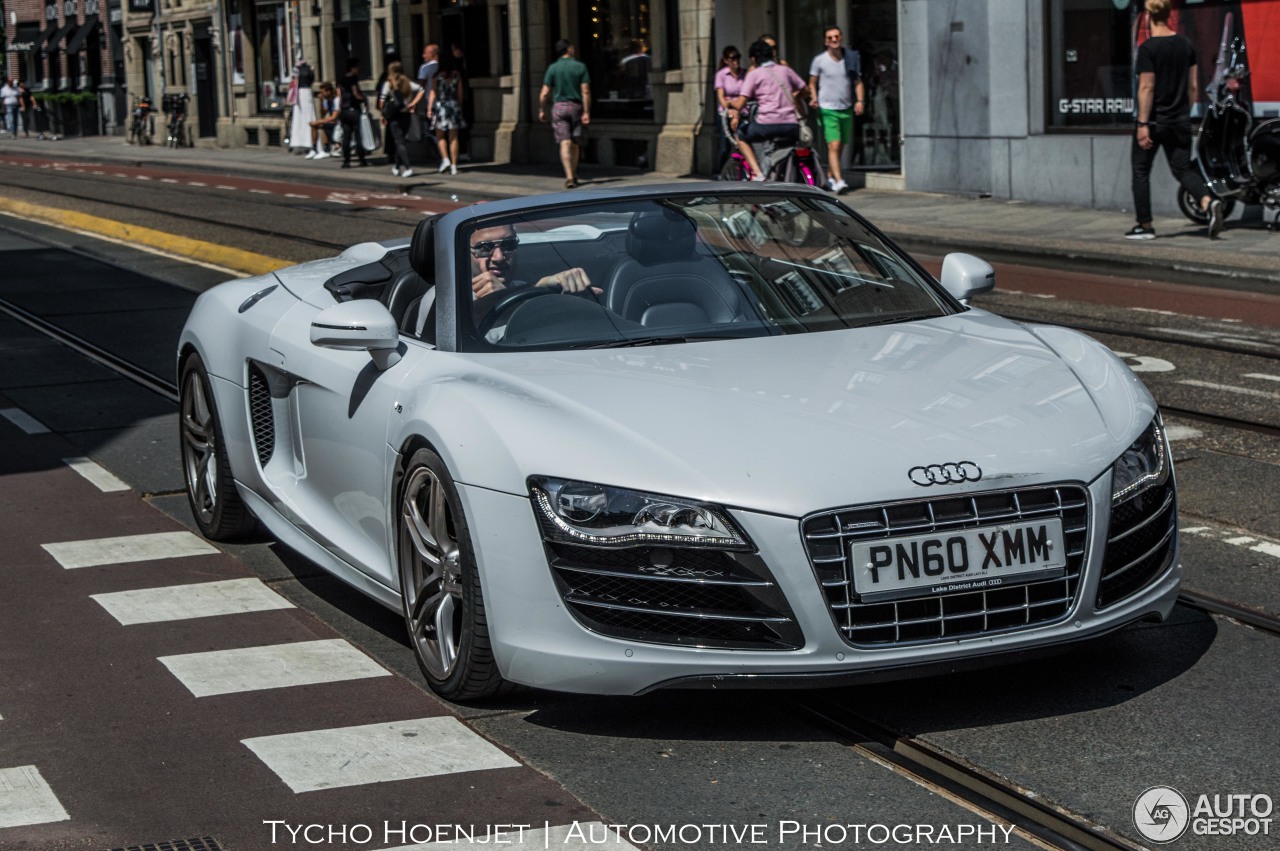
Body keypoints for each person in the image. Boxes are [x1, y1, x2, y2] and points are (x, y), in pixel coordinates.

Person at [1127, 0, 1221, 240]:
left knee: (1140, 171)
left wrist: (1142, 123)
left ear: (1148, 15)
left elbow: (1146, 88)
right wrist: (1182, 113)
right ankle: (1207, 201)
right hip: (1179, 121)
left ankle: (1145, 226)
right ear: (1169, 14)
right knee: (1181, 169)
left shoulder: (1148, 49)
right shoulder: (1186, 45)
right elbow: (1193, 86)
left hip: (1155, 121)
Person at [731, 40, 808, 174]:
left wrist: (729, 103)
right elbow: (806, 91)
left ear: (753, 59)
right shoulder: (786, 70)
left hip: (766, 126)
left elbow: (740, 104)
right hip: (791, 126)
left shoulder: (754, 74)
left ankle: (758, 173)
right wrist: (795, 97)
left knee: (741, 135)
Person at [808, 25, 865, 194]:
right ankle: (839, 182)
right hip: (827, 109)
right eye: (830, 37)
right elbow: (812, 82)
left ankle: (830, 176)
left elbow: (858, 82)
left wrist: (860, 101)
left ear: (841, 38)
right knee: (834, 145)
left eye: (837, 37)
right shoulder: (819, 60)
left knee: (839, 146)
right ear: (826, 41)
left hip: (845, 108)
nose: (834, 40)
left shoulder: (850, 58)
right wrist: (813, 97)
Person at [538, 39, 591, 189]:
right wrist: (586, 111)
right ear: (569, 49)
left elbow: (544, 93)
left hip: (559, 107)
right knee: (575, 144)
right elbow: (585, 91)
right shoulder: (580, 67)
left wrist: (542, 109)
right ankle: (574, 174)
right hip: (576, 107)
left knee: (564, 142)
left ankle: (568, 176)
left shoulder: (553, 68)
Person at [714, 45, 762, 178]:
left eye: (737, 57)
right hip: (726, 113)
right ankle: (720, 172)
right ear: (725, 60)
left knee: (743, 141)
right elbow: (721, 97)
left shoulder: (744, 74)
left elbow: (747, 94)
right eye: (732, 58)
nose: (735, 61)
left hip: (742, 112)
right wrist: (730, 112)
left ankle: (744, 170)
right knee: (725, 146)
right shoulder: (721, 75)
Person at [380, 62, 424, 177]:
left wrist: (384, 113)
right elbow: (421, 90)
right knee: (401, 141)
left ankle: (408, 167)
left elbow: (382, 101)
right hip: (406, 115)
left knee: (399, 142)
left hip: (394, 116)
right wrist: (413, 103)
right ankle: (396, 166)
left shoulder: (388, 84)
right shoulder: (407, 83)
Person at [429, 55, 464, 175]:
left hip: (441, 106)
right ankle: (454, 166)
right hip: (453, 106)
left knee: (440, 136)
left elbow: (433, 93)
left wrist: (430, 108)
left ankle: (445, 159)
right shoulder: (456, 76)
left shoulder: (437, 76)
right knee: (454, 137)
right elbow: (460, 94)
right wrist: (459, 106)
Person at [336, 57, 369, 169]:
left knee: (346, 136)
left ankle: (346, 161)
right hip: (353, 109)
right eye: (357, 67)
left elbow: (339, 95)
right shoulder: (353, 79)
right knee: (358, 135)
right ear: (352, 68)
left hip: (344, 110)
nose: (358, 69)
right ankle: (362, 159)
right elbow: (355, 93)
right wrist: (363, 99)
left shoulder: (341, 80)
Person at [305, 82, 340, 159]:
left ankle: (327, 149)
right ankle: (314, 149)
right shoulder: (327, 100)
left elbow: (334, 117)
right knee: (315, 125)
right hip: (333, 122)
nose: (321, 94)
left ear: (328, 91)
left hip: (339, 123)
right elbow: (323, 114)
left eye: (322, 92)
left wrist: (319, 121)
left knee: (323, 124)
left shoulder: (336, 100)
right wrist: (321, 101)